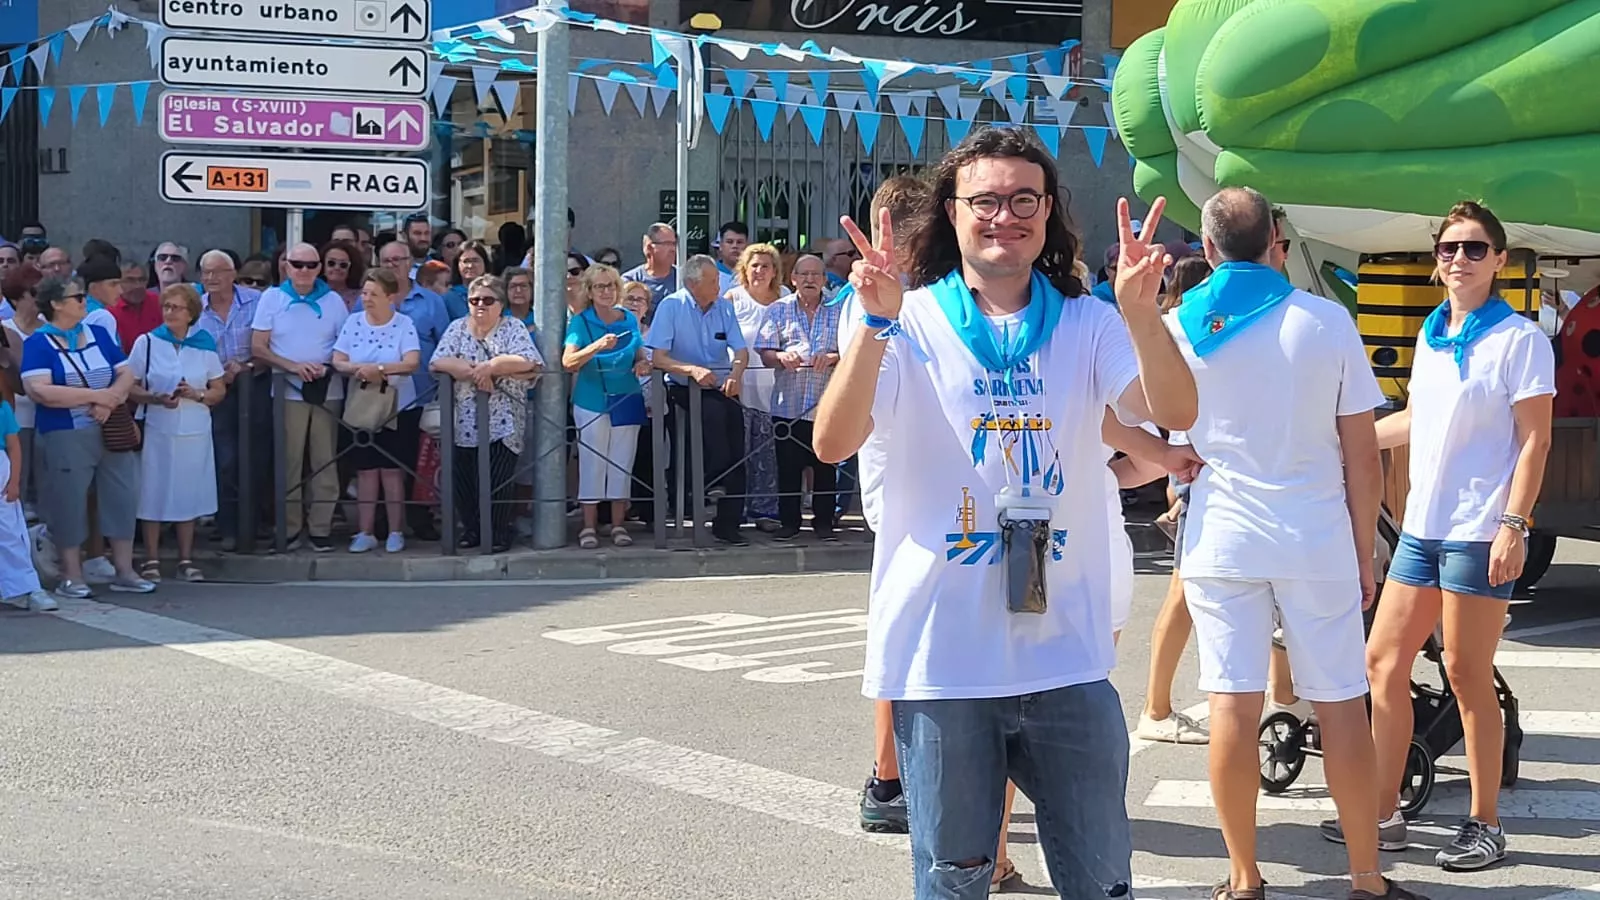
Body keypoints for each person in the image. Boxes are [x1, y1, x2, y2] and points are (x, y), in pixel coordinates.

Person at [812, 125, 1197, 900]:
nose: (1004, 216)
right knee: (955, 881)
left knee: (1100, 880)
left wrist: (1143, 313)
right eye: (984, 200)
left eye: (1025, 199)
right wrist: (875, 326)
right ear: (950, 214)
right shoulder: (905, 320)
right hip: (943, 661)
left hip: (1067, 659)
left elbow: (1176, 408)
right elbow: (832, 441)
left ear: (1048, 213)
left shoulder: (1088, 323)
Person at [1170, 187, 1421, 900]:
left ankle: (1244, 877)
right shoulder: (1324, 320)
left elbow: (1170, 437)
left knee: (1232, 704)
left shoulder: (1180, 325)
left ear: (1209, 249)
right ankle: (1367, 878)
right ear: (1277, 240)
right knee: (1341, 702)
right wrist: (1360, 547)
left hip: (1221, 534)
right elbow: (1361, 455)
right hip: (1313, 534)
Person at [1331, 201, 1555, 873]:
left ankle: (1484, 822)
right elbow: (1414, 421)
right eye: (1450, 248)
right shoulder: (1431, 333)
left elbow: (1536, 438)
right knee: (1382, 664)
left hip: (1480, 529)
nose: (1460, 258)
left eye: (1476, 248)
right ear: (1437, 260)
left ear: (1500, 261)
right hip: (1422, 530)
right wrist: (1341, 443)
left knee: (1463, 672)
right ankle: (1383, 811)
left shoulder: (1520, 339)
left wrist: (1515, 524)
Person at [832, 173, 926, 837]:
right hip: (901, 482)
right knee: (902, 632)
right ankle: (887, 777)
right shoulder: (874, 299)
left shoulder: (913, 294)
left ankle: (910, 773)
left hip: (926, 481)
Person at [22, 277, 155, 598]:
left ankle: (125, 570)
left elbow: (126, 372)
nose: (85, 301)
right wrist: (96, 398)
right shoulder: (38, 343)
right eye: (77, 297)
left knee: (122, 497)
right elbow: (39, 389)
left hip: (110, 430)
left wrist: (110, 399)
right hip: (65, 433)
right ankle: (72, 574)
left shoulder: (96, 334)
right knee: (68, 502)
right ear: (55, 304)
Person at [429, 275, 543, 553]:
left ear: (500, 304)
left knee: (498, 478)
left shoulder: (512, 327)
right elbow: (438, 361)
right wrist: (474, 371)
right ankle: (472, 530)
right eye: (474, 300)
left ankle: (499, 532)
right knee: (465, 479)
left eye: (488, 300)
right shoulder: (457, 328)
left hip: (503, 418)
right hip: (463, 419)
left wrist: (492, 366)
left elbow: (529, 361)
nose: (480, 305)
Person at [251, 242, 350, 552]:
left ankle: (320, 528)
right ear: (286, 266)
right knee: (289, 462)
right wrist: (292, 367)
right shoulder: (271, 298)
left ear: (319, 267)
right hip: (286, 390)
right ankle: (290, 528)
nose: (304, 270)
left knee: (325, 461)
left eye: (311, 265)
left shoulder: (334, 301)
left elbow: (345, 343)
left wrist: (326, 366)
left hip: (326, 390)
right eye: (298, 264)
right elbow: (258, 347)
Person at [648, 255, 750, 546]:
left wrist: (737, 373)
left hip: (720, 385)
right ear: (694, 283)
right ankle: (712, 482)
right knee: (713, 418)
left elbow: (740, 351)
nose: (720, 285)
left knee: (736, 436)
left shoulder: (724, 307)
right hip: (684, 387)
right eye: (714, 280)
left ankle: (728, 523)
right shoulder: (671, 307)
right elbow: (658, 358)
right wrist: (690, 370)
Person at [130, 285, 225, 583]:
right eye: (167, 306)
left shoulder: (204, 343)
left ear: (191, 313)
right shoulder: (146, 342)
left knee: (188, 491)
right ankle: (152, 559)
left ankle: (186, 558)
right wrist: (156, 398)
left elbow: (218, 390)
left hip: (195, 427)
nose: (170, 312)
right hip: (158, 426)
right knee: (153, 491)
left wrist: (195, 394)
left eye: (177, 308)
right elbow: (129, 385)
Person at [333, 269, 422, 554]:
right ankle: (365, 531)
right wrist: (359, 370)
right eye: (365, 293)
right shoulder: (353, 321)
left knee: (392, 471)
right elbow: (338, 359)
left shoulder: (404, 323)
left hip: (397, 406)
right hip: (362, 404)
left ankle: (396, 530)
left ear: (391, 297)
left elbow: (411, 362)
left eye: (374, 294)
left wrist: (381, 370)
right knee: (366, 470)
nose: (367, 299)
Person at [563, 264, 650, 549]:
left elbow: (637, 351)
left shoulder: (627, 318)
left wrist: (641, 362)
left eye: (610, 286)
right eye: (599, 286)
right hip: (592, 401)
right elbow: (568, 362)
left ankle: (617, 525)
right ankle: (588, 527)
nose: (606, 291)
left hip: (627, 397)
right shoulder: (581, 322)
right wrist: (597, 346)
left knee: (622, 463)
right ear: (589, 291)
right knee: (593, 463)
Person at [757, 254, 842, 541]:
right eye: (803, 275)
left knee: (826, 467)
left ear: (824, 279)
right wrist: (780, 356)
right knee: (788, 469)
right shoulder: (777, 309)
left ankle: (824, 523)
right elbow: (765, 352)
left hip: (826, 405)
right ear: (792, 279)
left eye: (815, 275)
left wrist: (833, 357)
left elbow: (854, 351)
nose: (809, 280)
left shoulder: (839, 309)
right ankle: (790, 522)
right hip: (788, 405)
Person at [374, 238, 450, 543]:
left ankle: (420, 518)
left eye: (399, 260)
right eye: (387, 261)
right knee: (381, 459)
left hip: (420, 393)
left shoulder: (431, 301)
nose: (394, 265)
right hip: (377, 394)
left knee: (417, 460)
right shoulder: (368, 296)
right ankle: (383, 521)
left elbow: (445, 342)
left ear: (410, 263)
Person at [195, 249, 265, 552]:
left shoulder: (256, 301)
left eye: (218, 272)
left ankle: (256, 524)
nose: (211, 278)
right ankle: (228, 526)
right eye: (205, 272)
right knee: (224, 459)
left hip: (255, 385)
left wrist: (246, 366)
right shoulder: (195, 308)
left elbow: (270, 344)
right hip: (215, 391)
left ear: (232, 274)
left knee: (256, 457)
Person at [726, 242, 789, 531]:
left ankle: (765, 510)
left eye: (765, 266)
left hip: (776, 388)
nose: (760, 271)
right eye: (754, 265)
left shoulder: (786, 298)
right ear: (744, 269)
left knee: (769, 452)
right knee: (740, 451)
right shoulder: (732, 299)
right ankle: (736, 509)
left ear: (775, 271)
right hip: (740, 386)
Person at [0, 376, 51, 610]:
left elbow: (14, 447)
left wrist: (14, 483)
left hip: (2, 477)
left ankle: (27, 588)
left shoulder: (2, 409)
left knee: (10, 534)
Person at [2, 265, 44, 519]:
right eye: (34, 292)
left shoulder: (52, 328)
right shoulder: (3, 329)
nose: (41, 297)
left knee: (45, 493)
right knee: (20, 491)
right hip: (17, 418)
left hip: (48, 417)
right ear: (17, 298)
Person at [622, 223, 679, 314]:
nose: (673, 249)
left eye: (674, 244)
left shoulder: (683, 278)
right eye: (667, 244)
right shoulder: (631, 280)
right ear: (649, 247)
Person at [112, 261, 162, 353]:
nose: (137, 286)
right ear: (117, 282)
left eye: (142, 280)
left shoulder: (159, 303)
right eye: (130, 280)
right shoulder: (109, 310)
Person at [444, 240, 492, 320]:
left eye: (475, 260)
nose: (470, 266)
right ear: (457, 265)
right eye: (466, 261)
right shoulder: (448, 297)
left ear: (485, 263)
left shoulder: (497, 293)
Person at [323, 240, 366, 310]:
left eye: (343, 265)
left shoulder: (362, 297)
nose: (337, 268)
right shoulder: (312, 293)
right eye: (331, 263)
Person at [714, 221, 750, 292]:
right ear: (721, 245)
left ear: (747, 245)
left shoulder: (754, 273)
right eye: (729, 242)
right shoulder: (710, 273)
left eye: (739, 242)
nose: (735, 246)